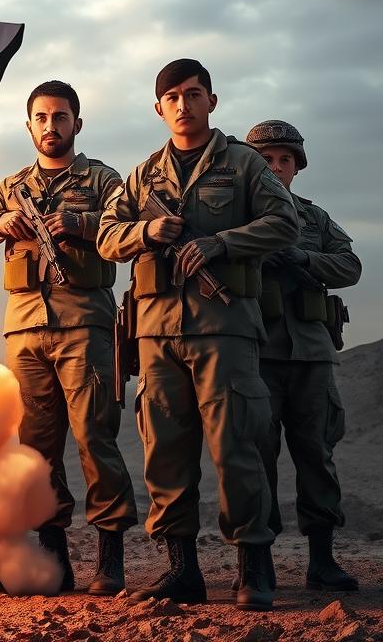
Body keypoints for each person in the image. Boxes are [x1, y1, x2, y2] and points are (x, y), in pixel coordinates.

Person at [97, 59, 300, 610]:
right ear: (158, 108)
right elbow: (106, 238)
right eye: (172, 97)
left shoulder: (244, 165)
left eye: (193, 94)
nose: (183, 106)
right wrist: (146, 230)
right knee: (164, 451)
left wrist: (220, 244)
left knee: (237, 446)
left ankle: (253, 570)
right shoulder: (142, 176)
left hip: (225, 329)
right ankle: (181, 570)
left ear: (212, 100)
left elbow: (286, 223)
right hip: (156, 333)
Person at [0, 81, 137, 594]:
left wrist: (79, 224)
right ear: (30, 125)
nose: (51, 126)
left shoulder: (103, 181)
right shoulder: (11, 186)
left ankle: (110, 554)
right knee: (37, 447)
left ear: (76, 124)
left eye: (61, 117)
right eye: (41, 117)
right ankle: (52, 550)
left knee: (94, 436)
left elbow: (124, 231)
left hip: (84, 324)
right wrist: (1, 221)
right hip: (25, 329)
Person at [245, 119, 361, 591]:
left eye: (284, 160)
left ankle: (322, 559)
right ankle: (259, 561)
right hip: (257, 353)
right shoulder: (239, 214)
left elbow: (350, 264)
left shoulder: (314, 219)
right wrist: (256, 255)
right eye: (266, 160)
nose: (276, 167)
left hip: (312, 354)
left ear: (297, 167)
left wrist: (305, 260)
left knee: (316, 453)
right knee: (258, 456)